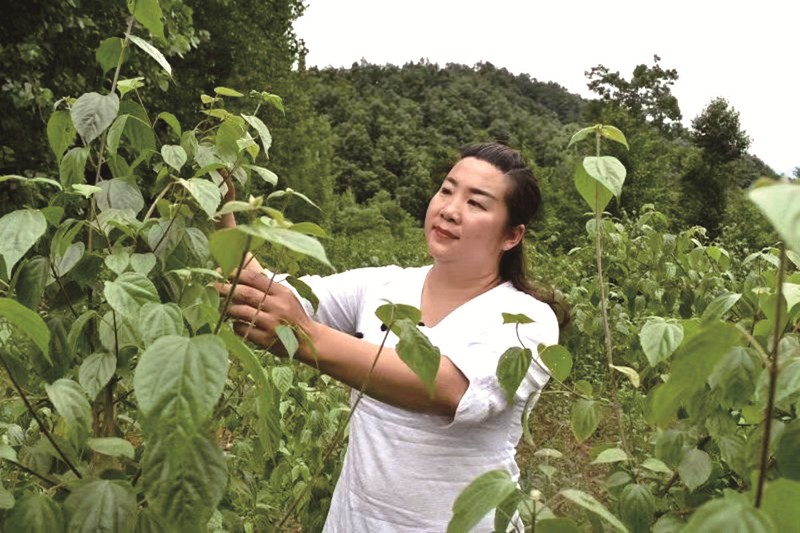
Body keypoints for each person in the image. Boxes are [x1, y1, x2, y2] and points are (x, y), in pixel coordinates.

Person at [216, 142, 563, 532]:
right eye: (447, 190)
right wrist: (221, 208)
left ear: (511, 236)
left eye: (476, 204)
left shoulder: (527, 320)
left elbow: (448, 389)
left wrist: (308, 337)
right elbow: (261, 293)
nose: (449, 209)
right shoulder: (383, 285)